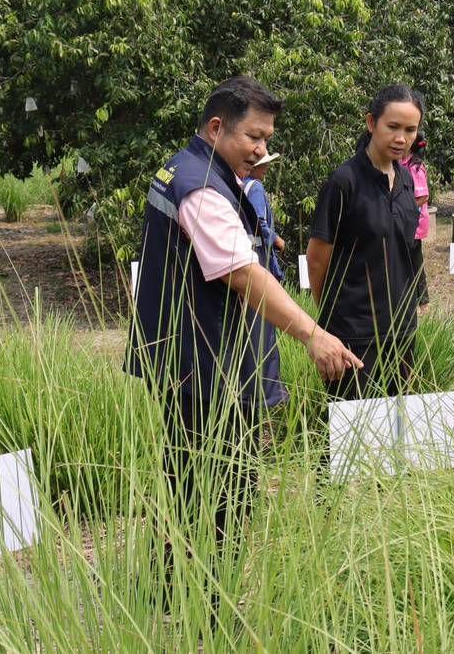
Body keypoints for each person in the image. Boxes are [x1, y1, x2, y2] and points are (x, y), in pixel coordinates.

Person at [126, 76, 362, 609]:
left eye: (266, 137)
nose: (262, 148)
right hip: (210, 365)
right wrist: (312, 333)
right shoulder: (204, 188)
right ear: (217, 128)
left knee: (187, 479)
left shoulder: (181, 168)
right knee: (225, 492)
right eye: (253, 137)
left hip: (182, 357)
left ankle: (167, 591)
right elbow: (241, 273)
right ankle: (211, 606)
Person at [307, 85, 426, 401]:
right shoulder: (344, 183)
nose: (401, 138)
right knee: (353, 435)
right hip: (353, 333)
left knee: (397, 428)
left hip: (400, 329)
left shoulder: (406, 180)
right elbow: (317, 258)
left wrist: (417, 299)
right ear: (371, 123)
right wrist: (330, 317)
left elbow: (411, 247)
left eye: (410, 130)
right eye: (393, 127)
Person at [241, 152, 286, 281]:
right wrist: (277, 240)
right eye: (264, 164)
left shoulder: (241, 184)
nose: (267, 167)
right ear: (254, 167)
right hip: (258, 255)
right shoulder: (256, 187)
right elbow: (259, 222)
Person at [402, 132, 431, 312]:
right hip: (402, 222)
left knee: (415, 262)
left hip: (414, 223)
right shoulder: (399, 163)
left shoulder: (415, 167)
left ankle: (424, 303)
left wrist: (402, 206)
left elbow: (423, 196)